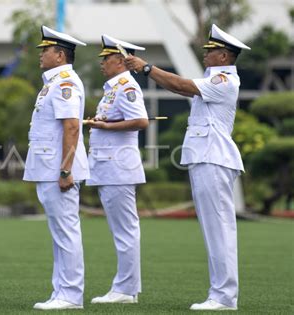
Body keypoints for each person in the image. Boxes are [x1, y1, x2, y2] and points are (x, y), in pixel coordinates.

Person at [124, 24, 250, 311]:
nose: (205, 54)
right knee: (213, 229)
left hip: (214, 158)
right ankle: (219, 293)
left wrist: (146, 69)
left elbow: (182, 85)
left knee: (219, 229)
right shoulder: (213, 79)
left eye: (211, 51)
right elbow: (177, 86)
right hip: (205, 157)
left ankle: (224, 296)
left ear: (224, 56)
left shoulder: (223, 81)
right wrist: (147, 72)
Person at [23, 25, 89, 311]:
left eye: (45, 50)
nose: (41, 54)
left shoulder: (65, 82)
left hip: (57, 169)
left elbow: (72, 127)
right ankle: (61, 291)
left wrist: (65, 169)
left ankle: (71, 295)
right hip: (48, 167)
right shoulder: (53, 81)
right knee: (59, 233)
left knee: (66, 231)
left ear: (60, 55)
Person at [85, 34, 149, 304]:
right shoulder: (113, 87)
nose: (102, 63)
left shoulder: (126, 86)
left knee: (125, 231)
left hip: (118, 166)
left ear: (121, 61)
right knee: (121, 230)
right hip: (108, 165)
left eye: (106, 58)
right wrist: (101, 121)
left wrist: (105, 126)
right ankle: (127, 288)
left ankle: (125, 290)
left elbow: (141, 121)